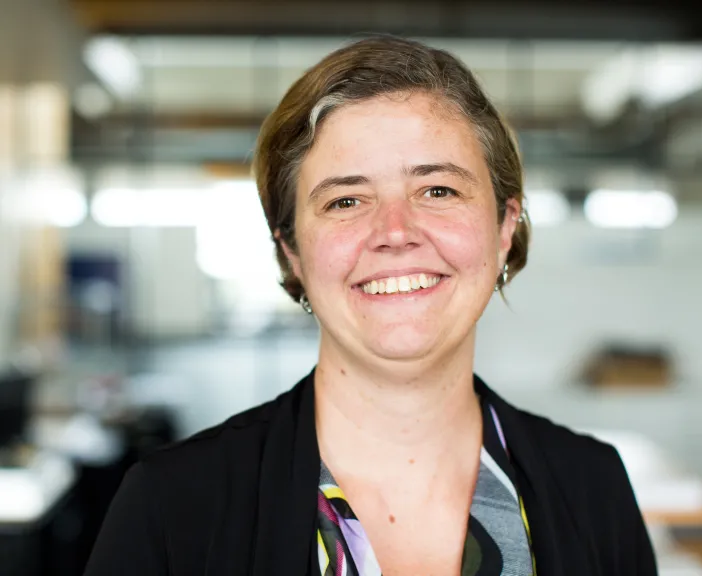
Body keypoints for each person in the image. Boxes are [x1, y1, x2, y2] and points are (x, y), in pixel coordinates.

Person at [84, 36, 657, 576]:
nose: (395, 231)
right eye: (346, 200)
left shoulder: (593, 487)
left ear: (504, 227)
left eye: (438, 190)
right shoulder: (171, 506)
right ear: (292, 254)